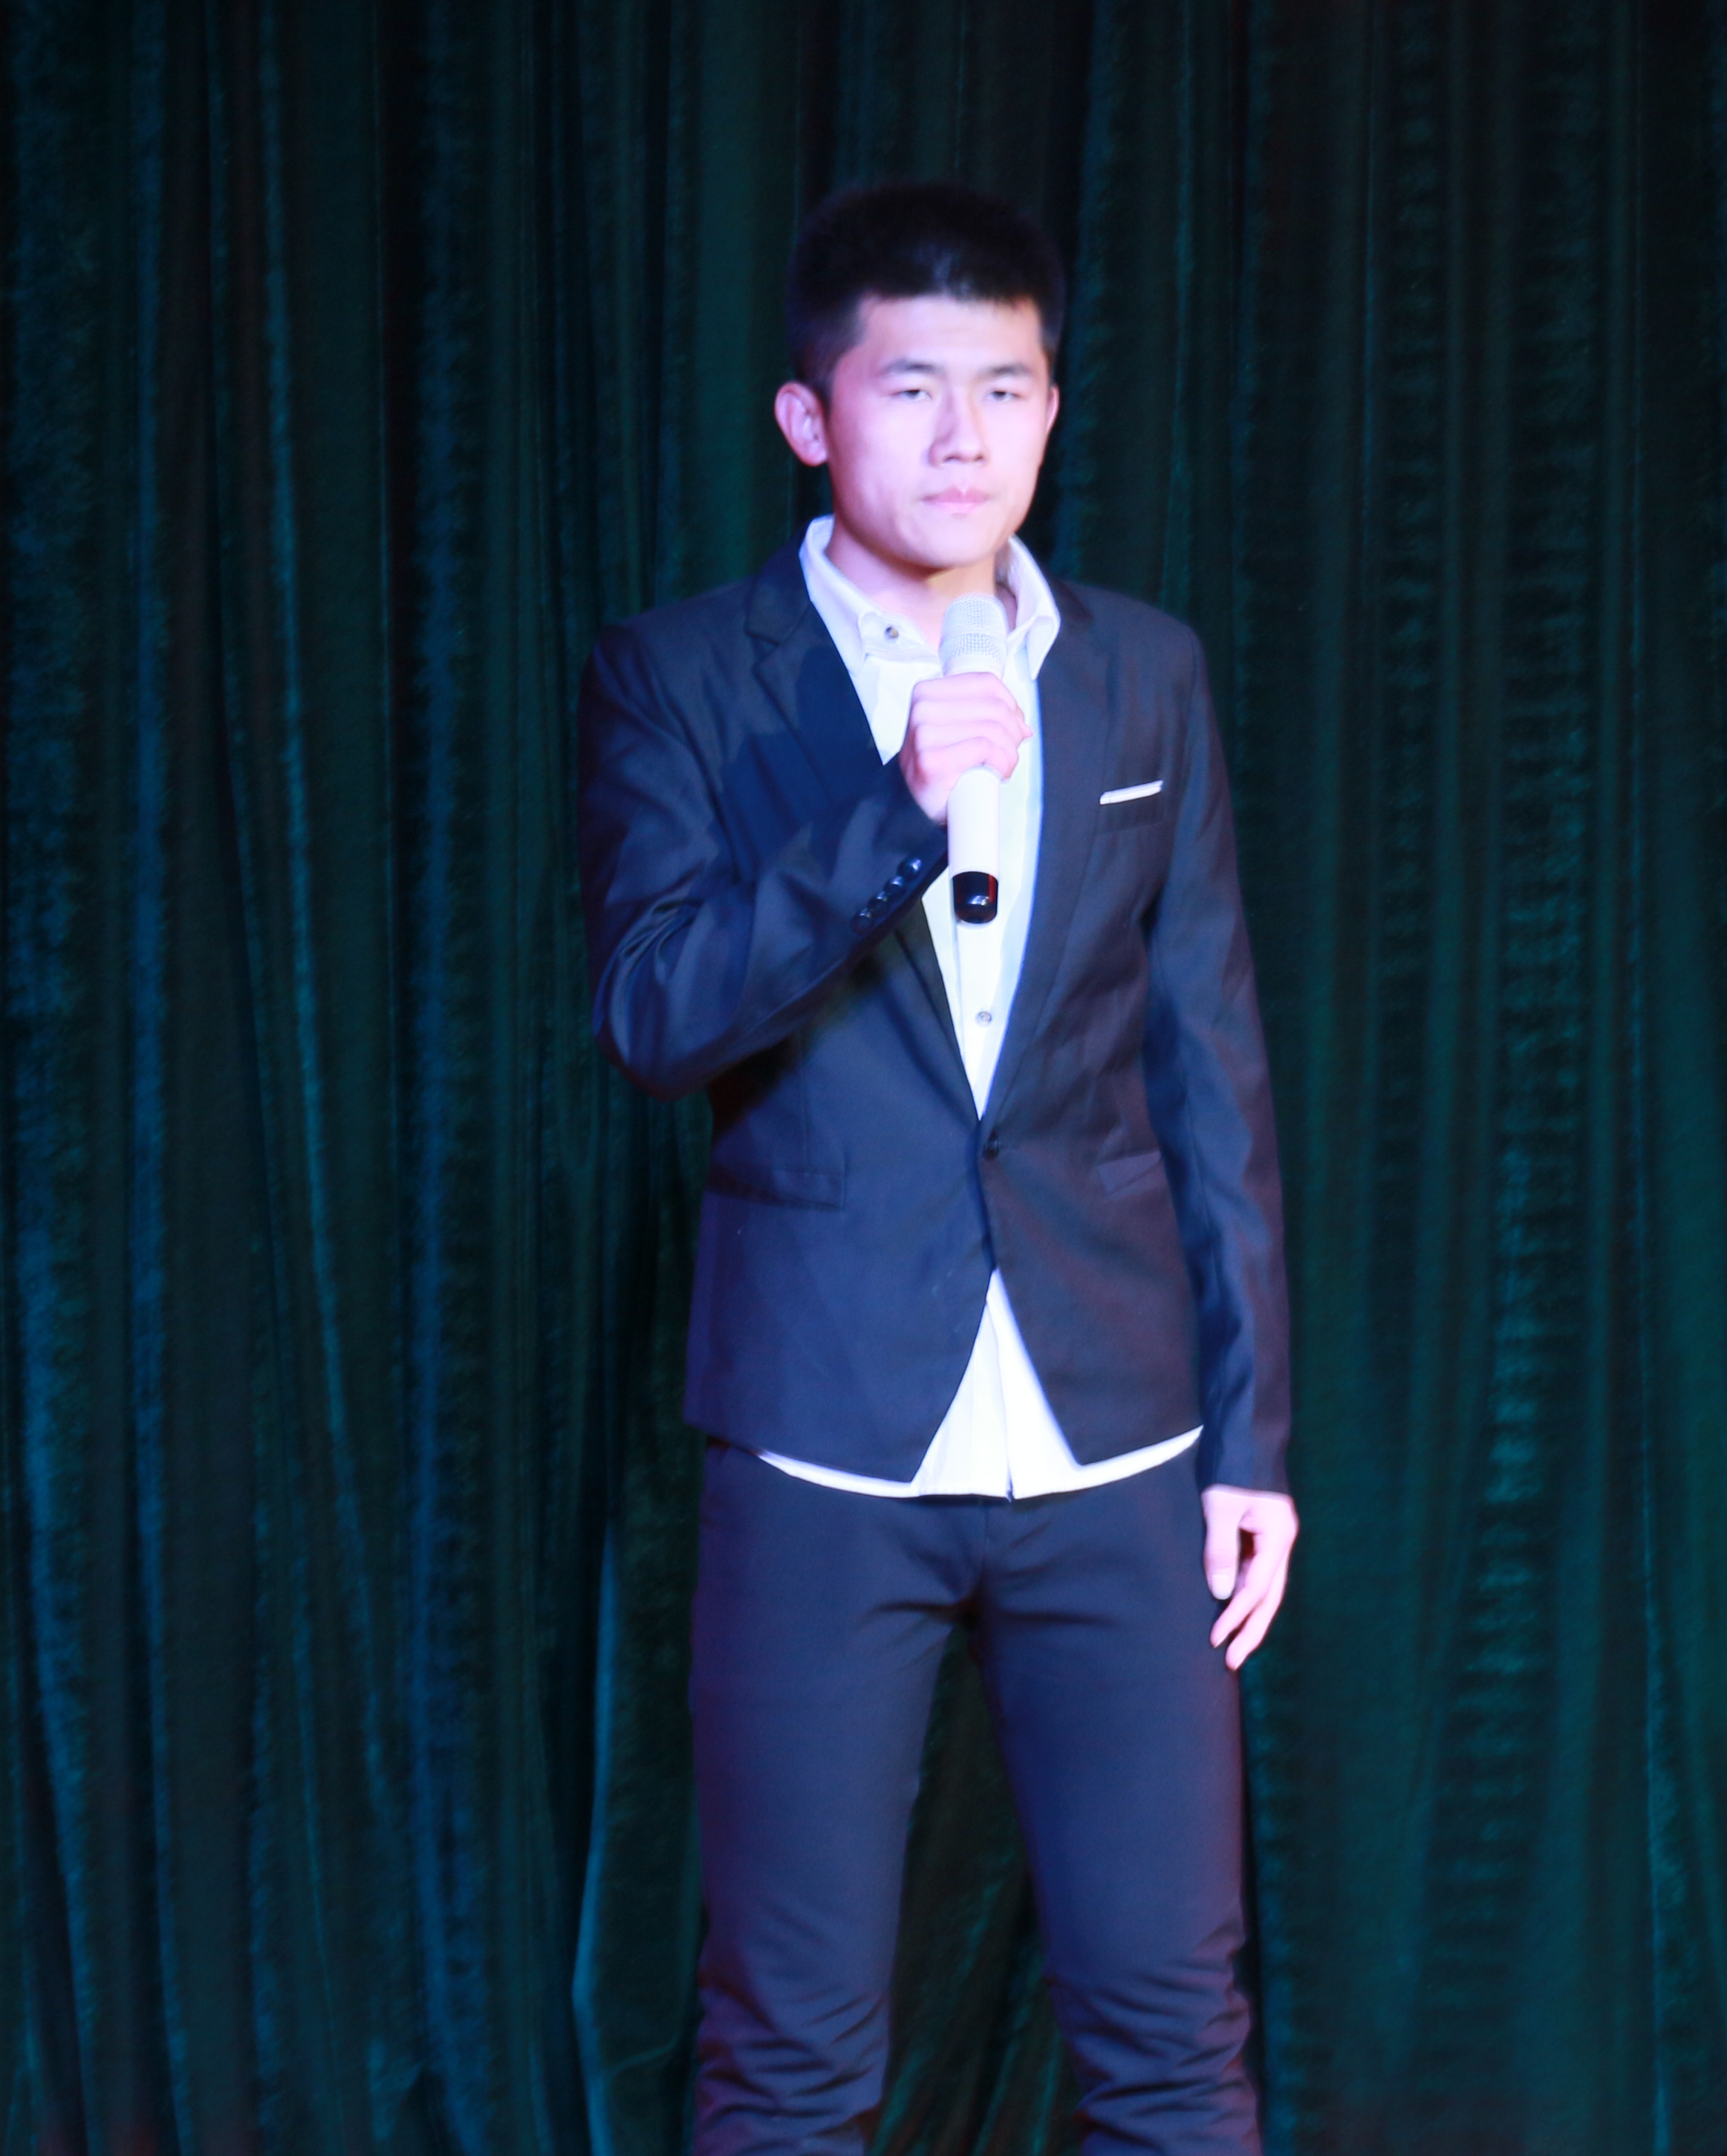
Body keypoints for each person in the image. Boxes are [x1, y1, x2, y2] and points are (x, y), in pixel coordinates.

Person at [578, 181, 1299, 2155]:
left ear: (1054, 409)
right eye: (911, 389)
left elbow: (1208, 1066)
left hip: (1120, 1445)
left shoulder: (1144, 671)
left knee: (1175, 2036)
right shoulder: (684, 675)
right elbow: (653, 1015)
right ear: (811, 418)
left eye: (1006, 389)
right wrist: (896, 811)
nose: (965, 437)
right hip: (826, 1444)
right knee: (791, 2049)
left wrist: (1252, 1442)